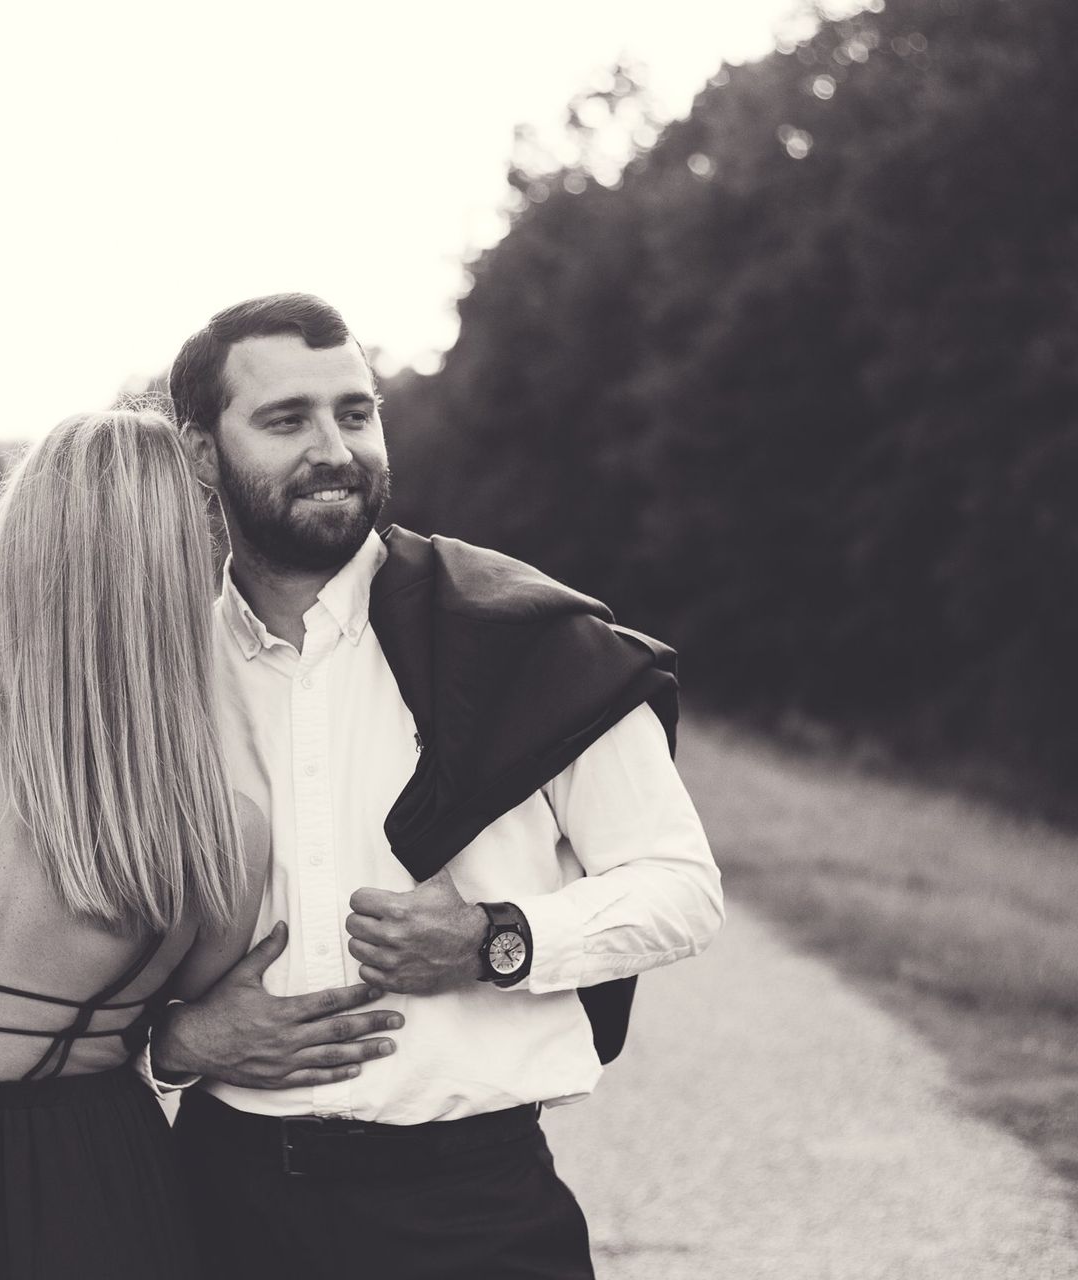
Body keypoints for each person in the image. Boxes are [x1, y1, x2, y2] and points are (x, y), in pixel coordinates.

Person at [149, 293, 725, 1279]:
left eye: (356, 412)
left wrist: (493, 939)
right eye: (289, 419)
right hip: (220, 1203)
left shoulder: (522, 638)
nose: (335, 447)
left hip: (470, 1212)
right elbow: (72, 943)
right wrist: (180, 1038)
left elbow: (681, 886)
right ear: (202, 453)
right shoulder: (158, 674)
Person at [0, 410, 402, 1280]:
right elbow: (164, 1026)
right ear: (180, 582)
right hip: (89, 1189)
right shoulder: (218, 829)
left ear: (19, 552)